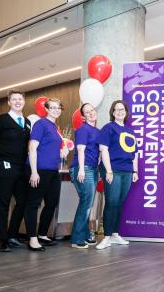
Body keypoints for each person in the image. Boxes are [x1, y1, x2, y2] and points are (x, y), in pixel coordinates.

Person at [0, 90, 31, 252]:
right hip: (4, 167)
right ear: (9, 102)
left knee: (22, 202)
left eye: (20, 99)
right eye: (14, 99)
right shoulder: (1, 120)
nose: (17, 101)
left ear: (24, 101)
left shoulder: (27, 122)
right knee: (3, 203)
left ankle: (12, 235)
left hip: (22, 169)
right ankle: (2, 240)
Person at [96, 100, 138, 250]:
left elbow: (134, 154)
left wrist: (135, 171)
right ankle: (106, 237)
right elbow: (104, 150)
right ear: (112, 113)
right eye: (116, 109)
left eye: (122, 109)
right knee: (112, 202)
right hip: (113, 170)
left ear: (126, 112)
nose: (120, 112)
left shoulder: (130, 131)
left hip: (127, 171)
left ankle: (115, 234)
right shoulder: (108, 128)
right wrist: (108, 170)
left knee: (119, 203)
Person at [25, 98, 64, 251]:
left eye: (58, 107)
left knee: (52, 202)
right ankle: (32, 239)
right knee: (33, 203)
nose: (56, 110)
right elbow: (32, 148)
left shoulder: (55, 127)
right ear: (46, 109)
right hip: (39, 169)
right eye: (52, 107)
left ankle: (42, 234)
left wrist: (61, 152)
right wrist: (34, 172)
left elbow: (49, 147)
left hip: (52, 170)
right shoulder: (41, 124)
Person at [70, 103, 100, 249]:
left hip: (93, 169)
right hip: (83, 169)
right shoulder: (82, 130)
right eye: (87, 112)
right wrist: (81, 170)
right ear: (83, 117)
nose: (91, 113)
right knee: (86, 203)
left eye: (92, 110)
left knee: (87, 203)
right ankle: (76, 239)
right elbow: (80, 150)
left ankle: (86, 235)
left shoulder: (97, 130)